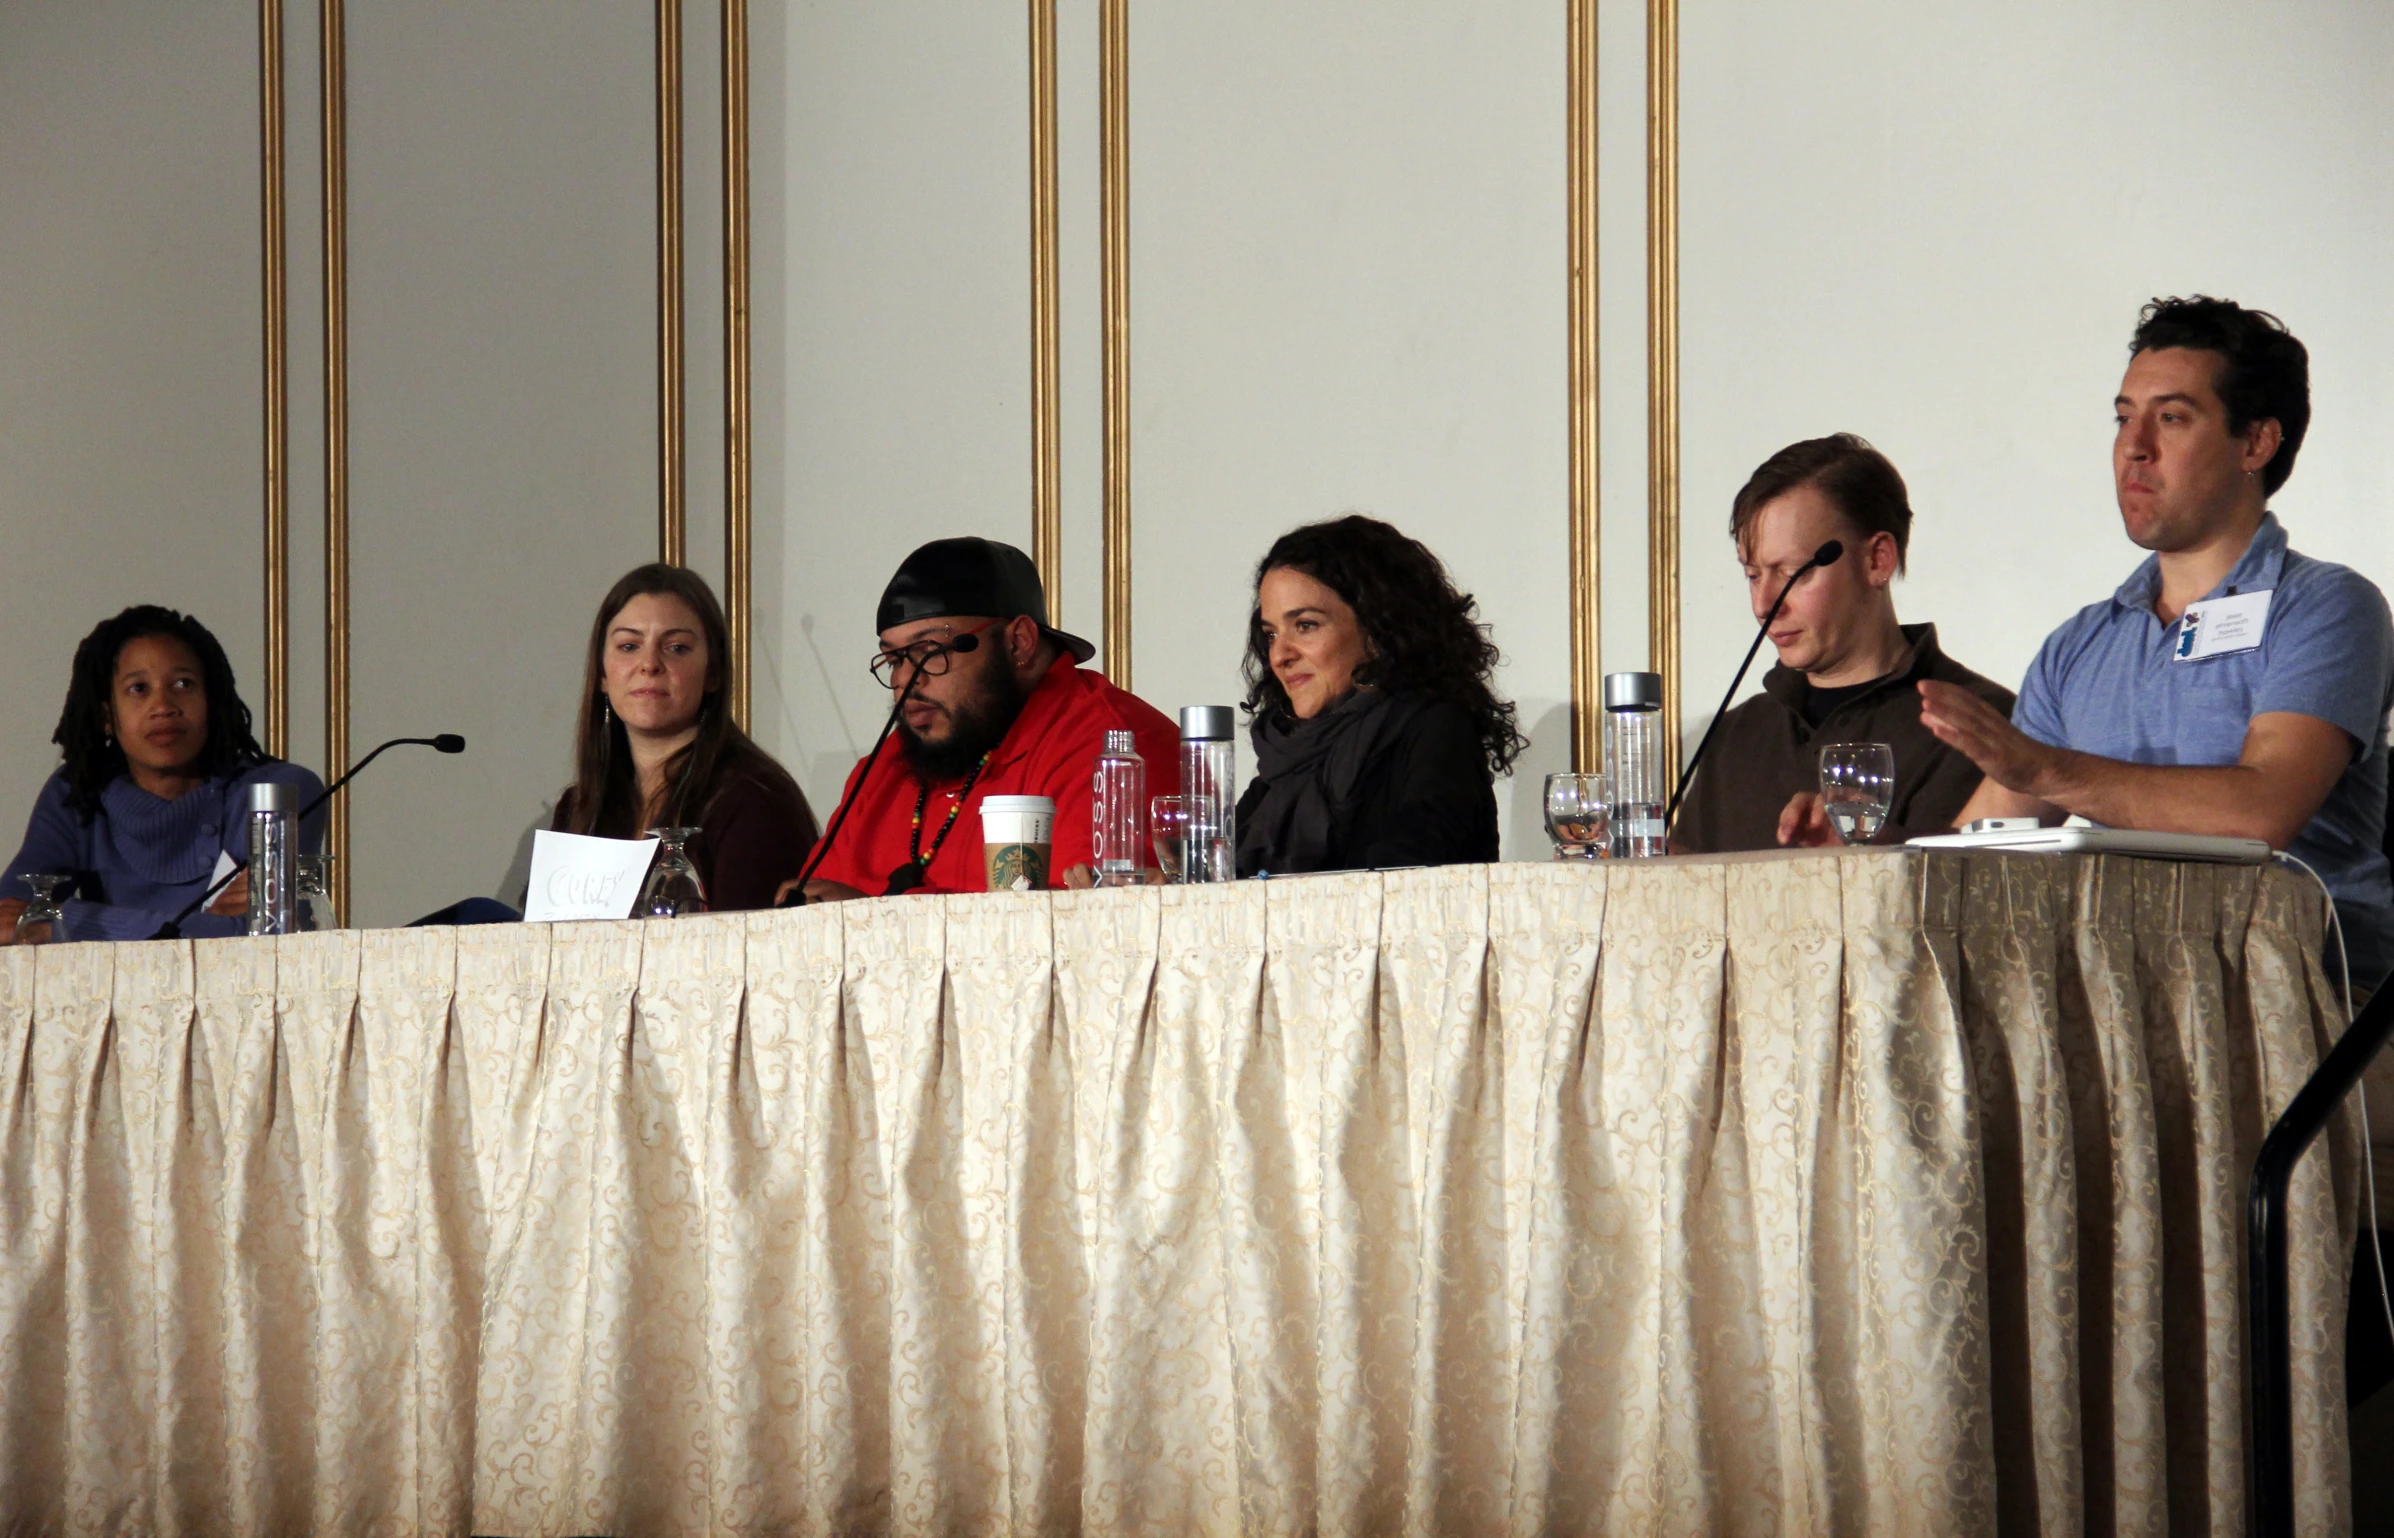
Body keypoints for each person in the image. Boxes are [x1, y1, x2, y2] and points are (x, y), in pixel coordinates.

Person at [1927, 297, 2394, 991]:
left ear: (2255, 444)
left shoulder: (2327, 607)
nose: (2133, 445)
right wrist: (1855, 868)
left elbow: (2260, 813)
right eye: (2123, 418)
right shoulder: (2079, 646)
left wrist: (2048, 770)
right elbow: (1973, 860)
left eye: (2171, 418)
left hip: (2306, 1006)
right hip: (2121, 997)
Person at [1674, 434, 2015, 852]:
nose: (1765, 605)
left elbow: (1974, 900)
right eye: (1753, 575)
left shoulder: (1983, 728)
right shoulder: (1733, 737)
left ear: (1877, 560)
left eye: (1794, 573)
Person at [789, 537, 1178, 900]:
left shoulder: (1116, 749)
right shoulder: (883, 770)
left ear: (1018, 641)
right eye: (894, 659)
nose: (905, 679)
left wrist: (871, 919)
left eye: (929, 651)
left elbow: (1090, 935)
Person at [0, 605, 323, 943]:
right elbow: (10, 918)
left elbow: (259, 937)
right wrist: (201, 926)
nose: (163, 706)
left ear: (212, 700)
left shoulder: (279, 790)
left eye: (183, 684)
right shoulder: (79, 791)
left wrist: (62, 922)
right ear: (107, 716)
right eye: (139, 688)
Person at [1234, 515, 1523, 875]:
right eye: (1272, 633)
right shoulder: (1283, 761)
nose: (1279, 656)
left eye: (1305, 625)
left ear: (1377, 628)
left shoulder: (1434, 730)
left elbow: (1409, 887)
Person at [551, 564, 816, 911]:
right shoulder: (578, 808)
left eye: (676, 648)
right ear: (602, 674)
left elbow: (753, 955)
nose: (649, 664)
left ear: (713, 673)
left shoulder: (754, 799)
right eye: (629, 645)